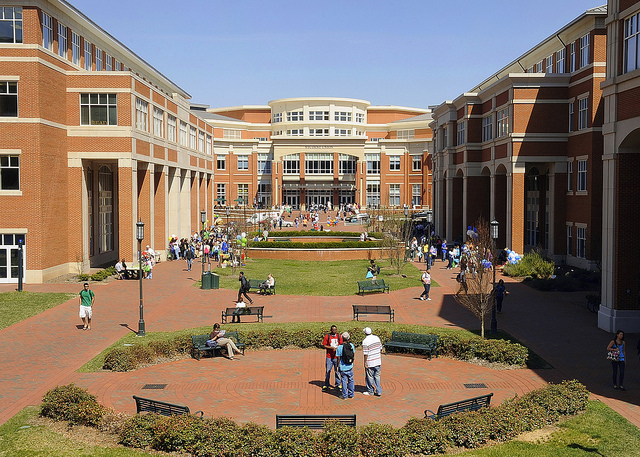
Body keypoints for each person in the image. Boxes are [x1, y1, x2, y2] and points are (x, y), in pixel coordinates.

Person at [361, 327, 382, 396]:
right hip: (378, 361)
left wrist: (365, 362)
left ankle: (371, 391)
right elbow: (380, 348)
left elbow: (365, 354)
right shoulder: (377, 338)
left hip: (370, 362)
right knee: (377, 377)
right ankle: (379, 391)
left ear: (365, 333)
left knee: (369, 377)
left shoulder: (365, 341)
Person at [322, 325, 343, 391]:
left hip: (337, 357)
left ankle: (338, 385)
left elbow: (342, 344)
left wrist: (338, 349)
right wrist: (331, 348)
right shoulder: (327, 336)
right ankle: (326, 384)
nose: (334, 331)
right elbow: (324, 345)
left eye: (335, 330)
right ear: (331, 330)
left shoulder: (339, 336)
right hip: (329, 357)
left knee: (337, 371)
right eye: (333, 330)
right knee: (328, 371)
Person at [336, 332, 355, 399]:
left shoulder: (339, 347)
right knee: (351, 380)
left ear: (342, 338)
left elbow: (338, 358)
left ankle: (344, 395)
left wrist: (338, 366)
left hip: (343, 367)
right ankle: (351, 394)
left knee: (344, 381)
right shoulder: (351, 345)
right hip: (350, 366)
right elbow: (353, 355)